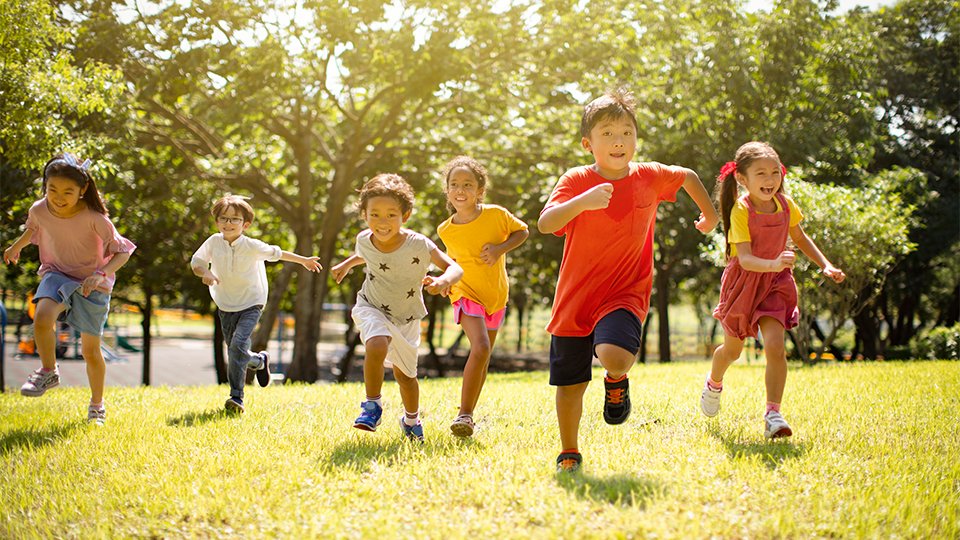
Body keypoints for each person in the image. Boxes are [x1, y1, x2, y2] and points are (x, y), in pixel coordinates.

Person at [538, 88, 720, 472]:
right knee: (570, 385)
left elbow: (686, 176)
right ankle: (569, 450)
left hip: (625, 292)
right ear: (588, 144)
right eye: (607, 133)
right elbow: (546, 223)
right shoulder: (575, 179)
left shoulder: (649, 176)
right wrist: (581, 202)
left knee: (616, 355)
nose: (619, 140)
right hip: (575, 299)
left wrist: (711, 216)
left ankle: (616, 379)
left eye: (627, 132)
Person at [700, 141, 845, 438]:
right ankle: (714, 383)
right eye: (761, 174)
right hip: (744, 283)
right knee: (732, 350)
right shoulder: (741, 210)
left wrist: (825, 265)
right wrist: (776, 262)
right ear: (742, 178)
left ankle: (773, 414)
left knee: (776, 347)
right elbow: (746, 259)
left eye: (774, 173)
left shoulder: (786, 204)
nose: (770, 180)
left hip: (776, 284)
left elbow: (801, 238)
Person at [4, 153, 136, 425]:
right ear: (45, 186)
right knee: (41, 317)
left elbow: (123, 252)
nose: (58, 197)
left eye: (67, 191)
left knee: (90, 352)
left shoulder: (95, 218)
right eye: (52, 189)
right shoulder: (39, 209)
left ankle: (97, 405)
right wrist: (17, 245)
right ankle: (48, 370)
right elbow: (33, 228)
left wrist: (101, 274)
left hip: (92, 283)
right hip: (57, 273)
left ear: (82, 190)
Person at [331, 173, 462, 443]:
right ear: (364, 215)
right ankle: (372, 406)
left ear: (406, 214)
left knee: (406, 377)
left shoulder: (418, 244)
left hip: (407, 315)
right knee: (377, 344)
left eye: (391, 215)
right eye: (374, 215)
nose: (382, 222)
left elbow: (455, 267)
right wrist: (346, 264)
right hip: (372, 305)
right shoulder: (364, 239)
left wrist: (442, 280)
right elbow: (366, 255)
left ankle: (411, 419)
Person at [191, 194, 322, 414]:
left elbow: (278, 253)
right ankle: (259, 361)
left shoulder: (251, 246)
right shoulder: (213, 242)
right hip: (225, 304)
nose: (228, 223)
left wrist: (304, 261)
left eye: (235, 219)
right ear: (216, 222)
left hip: (252, 302)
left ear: (246, 224)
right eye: (223, 218)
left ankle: (236, 398)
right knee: (235, 350)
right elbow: (196, 263)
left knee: (237, 345)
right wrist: (206, 273)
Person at [436, 156, 529, 437]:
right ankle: (463, 414)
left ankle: (469, 417)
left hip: (495, 294)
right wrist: (442, 281)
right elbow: (450, 261)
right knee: (480, 347)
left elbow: (522, 231)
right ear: (448, 191)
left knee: (484, 354)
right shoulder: (445, 229)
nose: (460, 189)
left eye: (467, 184)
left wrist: (500, 248)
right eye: (454, 184)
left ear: (480, 191)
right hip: (464, 291)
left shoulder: (496, 214)